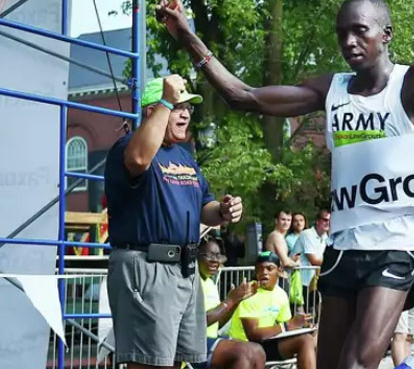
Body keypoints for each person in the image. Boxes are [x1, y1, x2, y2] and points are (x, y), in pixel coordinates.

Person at [156, 0, 414, 369]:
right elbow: (244, 96)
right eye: (341, 33)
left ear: (385, 34)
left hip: (396, 246)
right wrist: (188, 36)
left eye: (360, 31)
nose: (349, 41)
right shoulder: (330, 89)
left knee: (355, 364)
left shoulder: (411, 85)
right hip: (344, 246)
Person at [105, 75, 244, 369]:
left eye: (187, 108)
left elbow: (205, 205)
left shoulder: (184, 156)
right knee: (149, 363)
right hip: (147, 266)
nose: (184, 114)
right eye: (176, 106)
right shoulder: (128, 146)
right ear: (152, 110)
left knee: (181, 363)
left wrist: (224, 210)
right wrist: (166, 98)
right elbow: (140, 160)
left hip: (185, 269)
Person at [231, 252, 316, 369]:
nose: (264, 272)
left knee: (312, 337)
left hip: (267, 343)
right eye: (260, 269)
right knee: (305, 341)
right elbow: (253, 335)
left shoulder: (281, 294)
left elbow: (287, 328)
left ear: (280, 271)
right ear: (256, 272)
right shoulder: (249, 292)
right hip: (245, 346)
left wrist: (302, 326)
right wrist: (289, 325)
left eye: (269, 268)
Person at [195, 237, 266, 369]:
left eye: (218, 256)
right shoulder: (192, 281)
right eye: (208, 255)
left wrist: (236, 302)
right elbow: (200, 322)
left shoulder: (210, 283)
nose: (215, 260)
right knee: (243, 352)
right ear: (196, 255)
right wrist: (230, 300)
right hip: (193, 344)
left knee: (257, 351)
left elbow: (217, 323)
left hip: (210, 340)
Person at [291, 209, 331, 312]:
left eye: (330, 220)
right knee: (300, 316)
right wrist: (330, 260)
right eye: (325, 220)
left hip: (314, 283)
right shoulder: (307, 234)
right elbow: (314, 260)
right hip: (299, 282)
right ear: (318, 221)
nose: (328, 223)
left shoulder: (326, 237)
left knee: (313, 315)